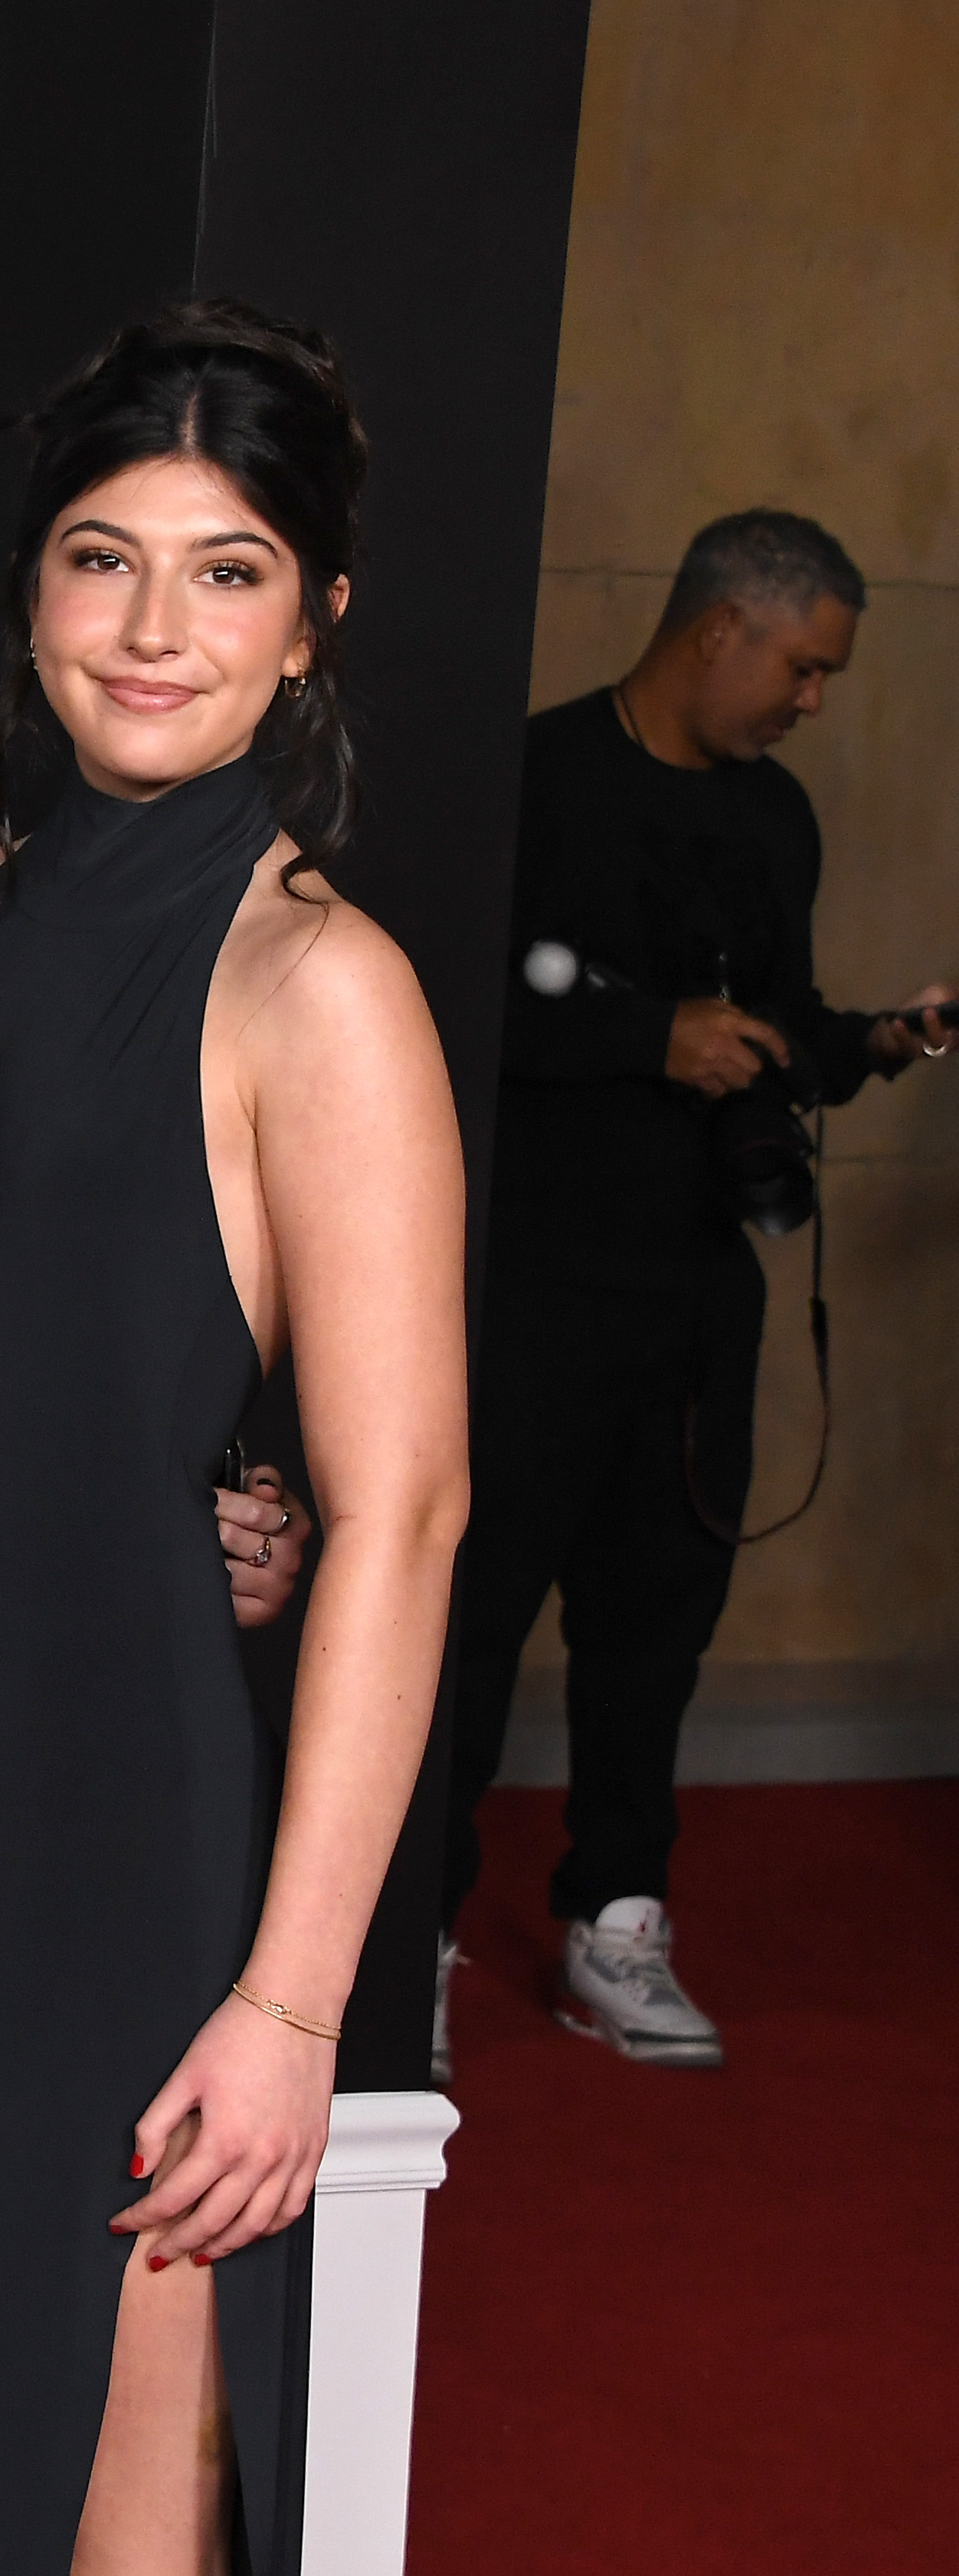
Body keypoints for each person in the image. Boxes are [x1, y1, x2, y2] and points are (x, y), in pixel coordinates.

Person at [0, 303, 470, 2576]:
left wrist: (286, 2001)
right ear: (28, 590)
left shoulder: (318, 988)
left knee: (107, 2491)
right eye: (101, 555)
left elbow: (407, 1510)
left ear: (317, 621)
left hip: (115, 1860)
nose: (154, 626)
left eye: (229, 566)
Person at [436, 509, 954, 2076]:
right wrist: (640, 1037)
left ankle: (617, 1918)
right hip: (524, 1289)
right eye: (801, 667)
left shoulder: (775, 819)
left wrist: (867, 1041)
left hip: (690, 1305)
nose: (809, 701)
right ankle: (410, 1945)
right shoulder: (530, 778)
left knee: (656, 1628)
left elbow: (772, 1021)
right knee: (459, 1630)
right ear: (718, 627)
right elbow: (435, 1011)